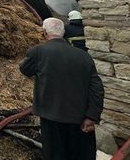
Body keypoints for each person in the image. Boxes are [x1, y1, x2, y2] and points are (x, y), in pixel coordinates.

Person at [20, 18, 104, 160]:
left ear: (44, 32)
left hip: (51, 120)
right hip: (80, 120)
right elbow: (97, 88)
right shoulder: (84, 56)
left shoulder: (38, 52)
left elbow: (25, 70)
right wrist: (91, 116)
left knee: (55, 155)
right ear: (63, 33)